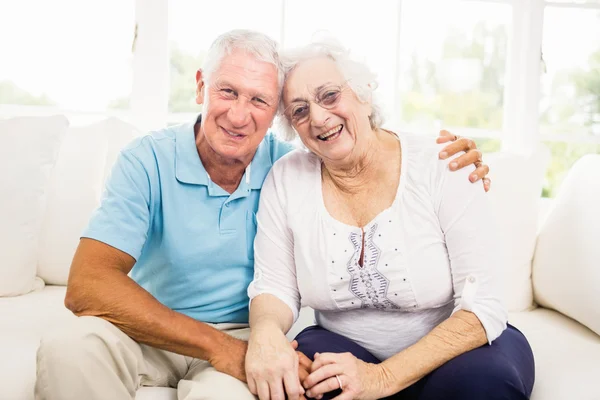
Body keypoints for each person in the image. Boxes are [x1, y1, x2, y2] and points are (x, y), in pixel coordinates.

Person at [35, 30, 491, 400]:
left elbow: (362, 154)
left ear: (275, 113)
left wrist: (453, 156)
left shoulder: (292, 167)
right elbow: (87, 285)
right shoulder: (146, 160)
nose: (238, 115)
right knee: (68, 350)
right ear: (200, 86)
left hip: (246, 337)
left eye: (259, 101)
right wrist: (219, 347)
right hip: (151, 327)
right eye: (227, 91)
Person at [245, 39, 535, 400]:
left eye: (330, 95)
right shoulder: (287, 177)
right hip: (345, 345)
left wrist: (382, 378)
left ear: (364, 93)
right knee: (311, 381)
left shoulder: (443, 163)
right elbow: (275, 288)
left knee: (483, 386)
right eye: (300, 111)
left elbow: (483, 307)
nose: (318, 117)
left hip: (460, 350)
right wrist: (265, 334)